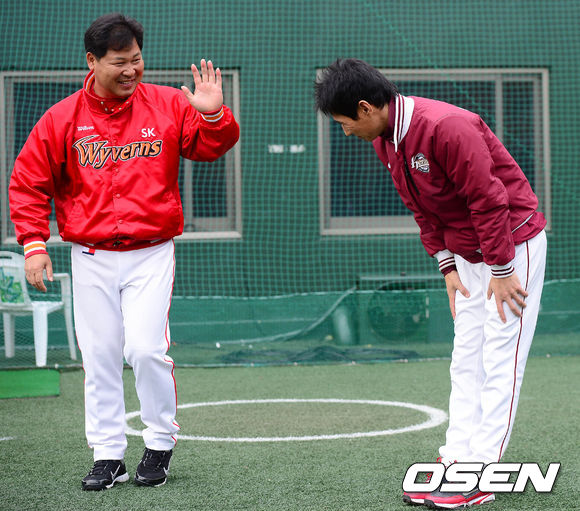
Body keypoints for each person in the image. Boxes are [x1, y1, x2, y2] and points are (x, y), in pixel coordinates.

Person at [9, 13, 239, 491]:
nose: (131, 69)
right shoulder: (62, 118)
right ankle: (108, 454)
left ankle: (159, 442)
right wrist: (34, 244)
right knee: (100, 355)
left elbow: (210, 147)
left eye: (136, 59)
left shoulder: (169, 103)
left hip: (151, 252)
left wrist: (214, 114)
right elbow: (29, 183)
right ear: (91, 61)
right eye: (119, 62)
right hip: (90, 254)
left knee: (145, 349)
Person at [315, 59, 547, 509]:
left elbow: (489, 200)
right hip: (468, 253)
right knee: (466, 357)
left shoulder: (447, 127)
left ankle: (483, 471)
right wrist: (447, 266)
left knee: (501, 357)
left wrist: (502, 270)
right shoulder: (385, 140)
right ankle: (457, 456)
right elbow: (421, 207)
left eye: (345, 123)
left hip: (512, 246)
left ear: (365, 108)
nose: (345, 132)